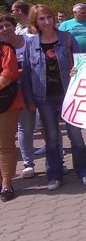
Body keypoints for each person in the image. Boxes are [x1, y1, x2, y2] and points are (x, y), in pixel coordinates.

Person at [21, 4, 86, 191]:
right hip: (43, 97)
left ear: (54, 18)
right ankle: (54, 175)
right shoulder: (31, 43)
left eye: (48, 17)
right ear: (35, 22)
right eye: (41, 19)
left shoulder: (66, 38)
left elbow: (82, 62)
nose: (46, 22)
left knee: (75, 135)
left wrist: (77, 71)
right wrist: (29, 100)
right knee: (52, 138)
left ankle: (84, 172)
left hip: (68, 94)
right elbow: (27, 74)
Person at [0, 14, 36, 179]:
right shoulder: (3, 47)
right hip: (10, 94)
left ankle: (57, 163)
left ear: (14, 26)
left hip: (32, 89)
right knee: (22, 130)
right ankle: (28, 164)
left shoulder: (28, 40)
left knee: (38, 127)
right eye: (1, 27)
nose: (4, 29)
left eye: (7, 25)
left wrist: (18, 72)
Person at [0, 16, 23, 201]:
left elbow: (8, 74)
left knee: (5, 145)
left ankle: (7, 184)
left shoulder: (5, 49)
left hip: (6, 104)